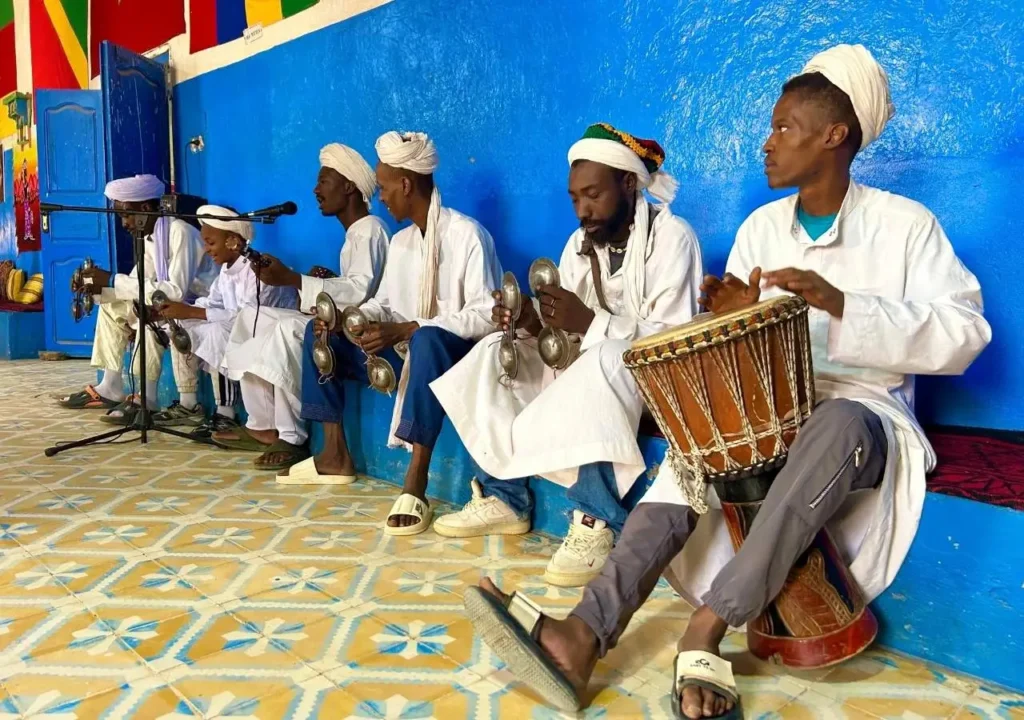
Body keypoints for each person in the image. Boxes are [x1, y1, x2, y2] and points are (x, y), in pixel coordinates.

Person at [462, 44, 991, 719]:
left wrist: (842, 307)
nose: (766, 143)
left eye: (784, 128)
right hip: (768, 410)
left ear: (836, 136)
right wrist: (733, 322)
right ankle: (582, 632)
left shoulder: (907, 227)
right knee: (691, 451)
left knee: (834, 423)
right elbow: (739, 352)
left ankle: (709, 625)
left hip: (863, 416)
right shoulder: (761, 229)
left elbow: (967, 333)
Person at [431, 123, 703, 587]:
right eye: (575, 198)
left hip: (657, 374)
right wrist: (530, 323)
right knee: (493, 352)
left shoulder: (673, 239)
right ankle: (504, 497)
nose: (583, 210)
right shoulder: (580, 246)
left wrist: (590, 325)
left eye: (593, 195)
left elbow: (672, 341)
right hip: (592, 361)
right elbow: (561, 333)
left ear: (628, 184)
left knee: (601, 362)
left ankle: (595, 519)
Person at [278, 130, 502, 538]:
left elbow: (485, 315)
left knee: (427, 339)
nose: (380, 197)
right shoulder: (401, 242)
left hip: (449, 359)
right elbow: (383, 302)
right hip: (404, 351)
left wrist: (413, 328)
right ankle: (334, 453)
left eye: (383, 187)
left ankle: (416, 481)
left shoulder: (466, 235)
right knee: (320, 331)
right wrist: (354, 318)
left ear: (405, 184)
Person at [218, 144, 389, 470]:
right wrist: (319, 279)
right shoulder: (356, 233)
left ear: (349, 186)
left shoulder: (371, 229)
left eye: (324, 182)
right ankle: (261, 422)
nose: (315, 190)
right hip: (341, 318)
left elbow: (360, 292)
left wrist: (294, 279)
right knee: (252, 316)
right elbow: (354, 282)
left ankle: (292, 435)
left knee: (285, 330)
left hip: (359, 332)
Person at [58, 174, 217, 427]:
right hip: (168, 301)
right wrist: (97, 288)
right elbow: (138, 283)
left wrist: (111, 280)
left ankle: (147, 398)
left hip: (195, 305)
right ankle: (110, 386)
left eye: (126, 215)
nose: (124, 224)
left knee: (149, 317)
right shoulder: (152, 237)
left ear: (145, 208)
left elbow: (174, 290)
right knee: (112, 306)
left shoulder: (179, 232)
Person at [153, 205, 298, 440]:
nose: (206, 249)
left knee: (219, 333)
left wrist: (192, 310)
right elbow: (213, 303)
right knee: (183, 325)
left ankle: (227, 413)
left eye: (211, 243)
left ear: (232, 241)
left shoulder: (256, 268)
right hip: (247, 330)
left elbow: (245, 316)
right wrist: (176, 311)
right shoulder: (227, 271)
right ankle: (193, 404)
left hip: (271, 334)